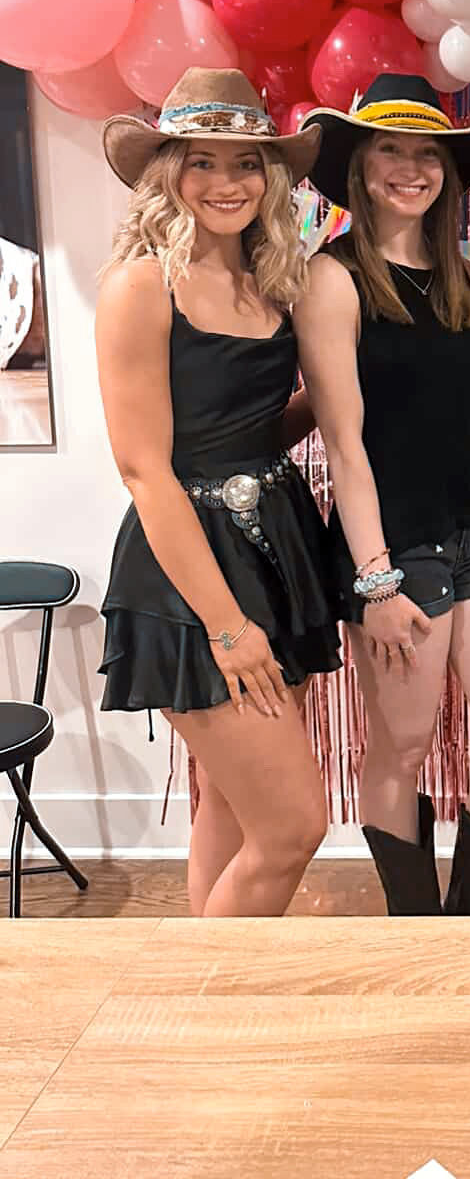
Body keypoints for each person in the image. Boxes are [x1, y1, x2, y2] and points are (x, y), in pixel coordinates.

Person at [295, 75, 470, 916]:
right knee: (402, 747)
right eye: (390, 151)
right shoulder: (332, 280)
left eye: (426, 153)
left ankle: (468, 927)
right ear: (360, 168)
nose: (410, 168)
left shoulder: (465, 279)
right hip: (391, 547)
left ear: (448, 170)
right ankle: (414, 929)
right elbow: (344, 442)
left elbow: (469, 422)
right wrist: (375, 579)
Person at [96, 68, 338, 917]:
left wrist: (349, 394)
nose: (226, 183)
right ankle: (220, 997)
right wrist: (228, 626)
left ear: (270, 176)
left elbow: (249, 429)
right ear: (169, 172)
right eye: (203, 162)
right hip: (191, 572)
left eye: (245, 164)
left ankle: (202, 1005)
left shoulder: (270, 280)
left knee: (231, 808)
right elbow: (143, 468)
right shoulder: (139, 286)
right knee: (293, 828)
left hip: (278, 544)